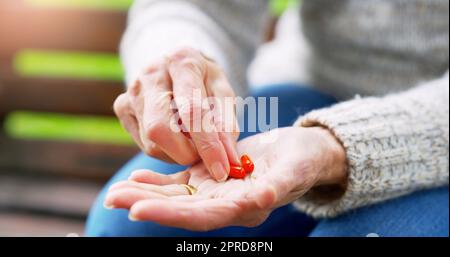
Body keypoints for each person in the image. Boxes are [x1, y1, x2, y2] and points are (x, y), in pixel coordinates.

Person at [85, 0, 449, 236]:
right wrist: (180, 61)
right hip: (315, 82)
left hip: (436, 126)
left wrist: (337, 145)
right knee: (126, 227)